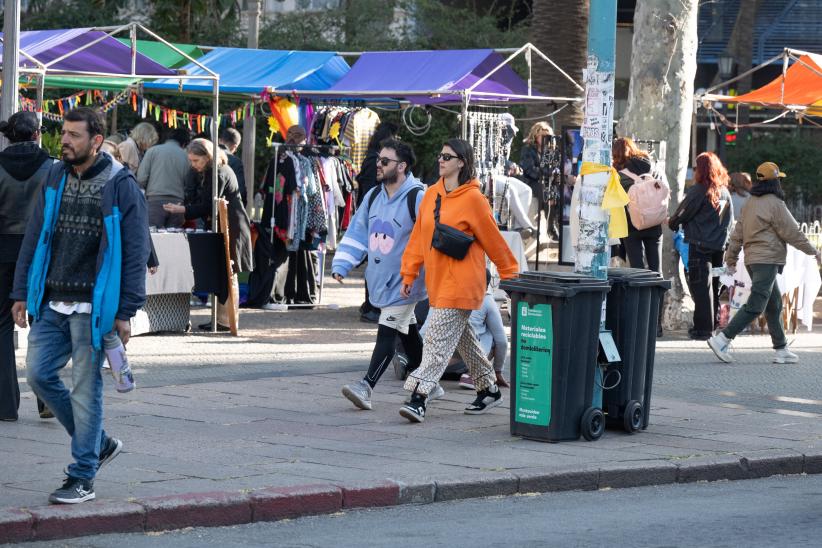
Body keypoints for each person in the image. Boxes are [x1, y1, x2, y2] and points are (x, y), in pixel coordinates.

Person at [10, 107, 150, 503]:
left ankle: (82, 475)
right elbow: (36, 233)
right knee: (38, 376)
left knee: (86, 391)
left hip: (95, 306)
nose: (64, 141)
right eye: (64, 134)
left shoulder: (120, 184)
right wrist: (22, 291)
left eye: (74, 135)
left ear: (97, 141)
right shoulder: (54, 174)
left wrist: (126, 311)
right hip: (52, 299)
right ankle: (99, 443)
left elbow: (136, 251)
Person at [398, 138, 519, 423]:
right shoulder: (430, 195)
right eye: (440, 155)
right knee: (463, 339)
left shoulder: (475, 199)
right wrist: (409, 271)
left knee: (436, 341)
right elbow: (418, 237)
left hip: (465, 284)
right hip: (438, 283)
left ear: (461, 162)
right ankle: (489, 388)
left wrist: (511, 277)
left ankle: (418, 397)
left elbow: (494, 241)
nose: (441, 160)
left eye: (447, 157)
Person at [333, 139, 431, 410]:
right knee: (408, 333)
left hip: (407, 283)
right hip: (380, 278)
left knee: (386, 331)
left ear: (401, 166)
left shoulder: (418, 197)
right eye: (378, 160)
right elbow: (357, 230)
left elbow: (430, 239)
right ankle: (429, 383)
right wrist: (343, 263)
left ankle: (366, 386)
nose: (378, 165)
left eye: (385, 161)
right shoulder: (373, 195)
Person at [708, 162, 819, 364]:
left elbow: (736, 234)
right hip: (766, 261)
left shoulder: (751, 202)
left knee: (774, 303)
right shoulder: (776, 204)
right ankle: (722, 338)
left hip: (752, 261)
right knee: (757, 304)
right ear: (775, 181)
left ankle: (781, 348)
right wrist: (814, 252)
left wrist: (731, 259)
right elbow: (793, 232)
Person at [0, 112, 55, 422]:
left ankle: (5, 405)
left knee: (1, 325)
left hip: (3, 250)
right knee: (43, 322)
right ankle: (46, 397)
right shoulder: (54, 168)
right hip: (41, 253)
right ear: (37, 135)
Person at [165, 139, 253, 331]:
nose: (193, 164)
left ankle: (225, 321)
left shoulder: (217, 172)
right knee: (226, 273)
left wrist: (182, 209)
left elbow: (208, 206)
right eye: (191, 160)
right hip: (229, 225)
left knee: (228, 273)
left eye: (196, 160)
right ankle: (223, 320)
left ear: (208, 157)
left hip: (231, 226)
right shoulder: (216, 170)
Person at [668, 152, 733, 340]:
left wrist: (673, 223)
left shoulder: (699, 190)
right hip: (719, 247)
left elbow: (682, 213)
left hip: (699, 245)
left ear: (701, 170)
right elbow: (728, 221)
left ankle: (703, 330)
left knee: (701, 288)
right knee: (713, 286)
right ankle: (712, 325)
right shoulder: (724, 192)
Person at [356, 121, 399, 323]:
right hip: (376, 215)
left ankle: (371, 305)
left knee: (376, 260)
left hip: (373, 215)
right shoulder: (377, 161)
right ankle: (373, 306)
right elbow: (374, 190)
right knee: (377, 260)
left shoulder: (371, 158)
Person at [136, 127, 190, 228]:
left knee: (152, 240)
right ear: (184, 144)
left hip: (154, 202)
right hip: (178, 204)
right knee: (173, 240)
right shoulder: (187, 156)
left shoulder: (152, 151)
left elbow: (141, 179)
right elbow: (189, 184)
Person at [520, 121, 559, 241]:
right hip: (531, 182)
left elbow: (553, 167)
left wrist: (549, 173)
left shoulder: (550, 151)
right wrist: (545, 172)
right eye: (542, 135)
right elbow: (530, 170)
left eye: (547, 136)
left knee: (554, 191)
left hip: (545, 181)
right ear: (535, 136)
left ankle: (552, 224)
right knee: (545, 190)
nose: (544, 138)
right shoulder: (527, 149)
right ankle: (550, 228)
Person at [218, 127, 248, 207]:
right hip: (225, 208)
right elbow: (240, 191)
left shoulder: (207, 155)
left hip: (201, 210)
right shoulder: (235, 162)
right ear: (235, 146)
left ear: (219, 140)